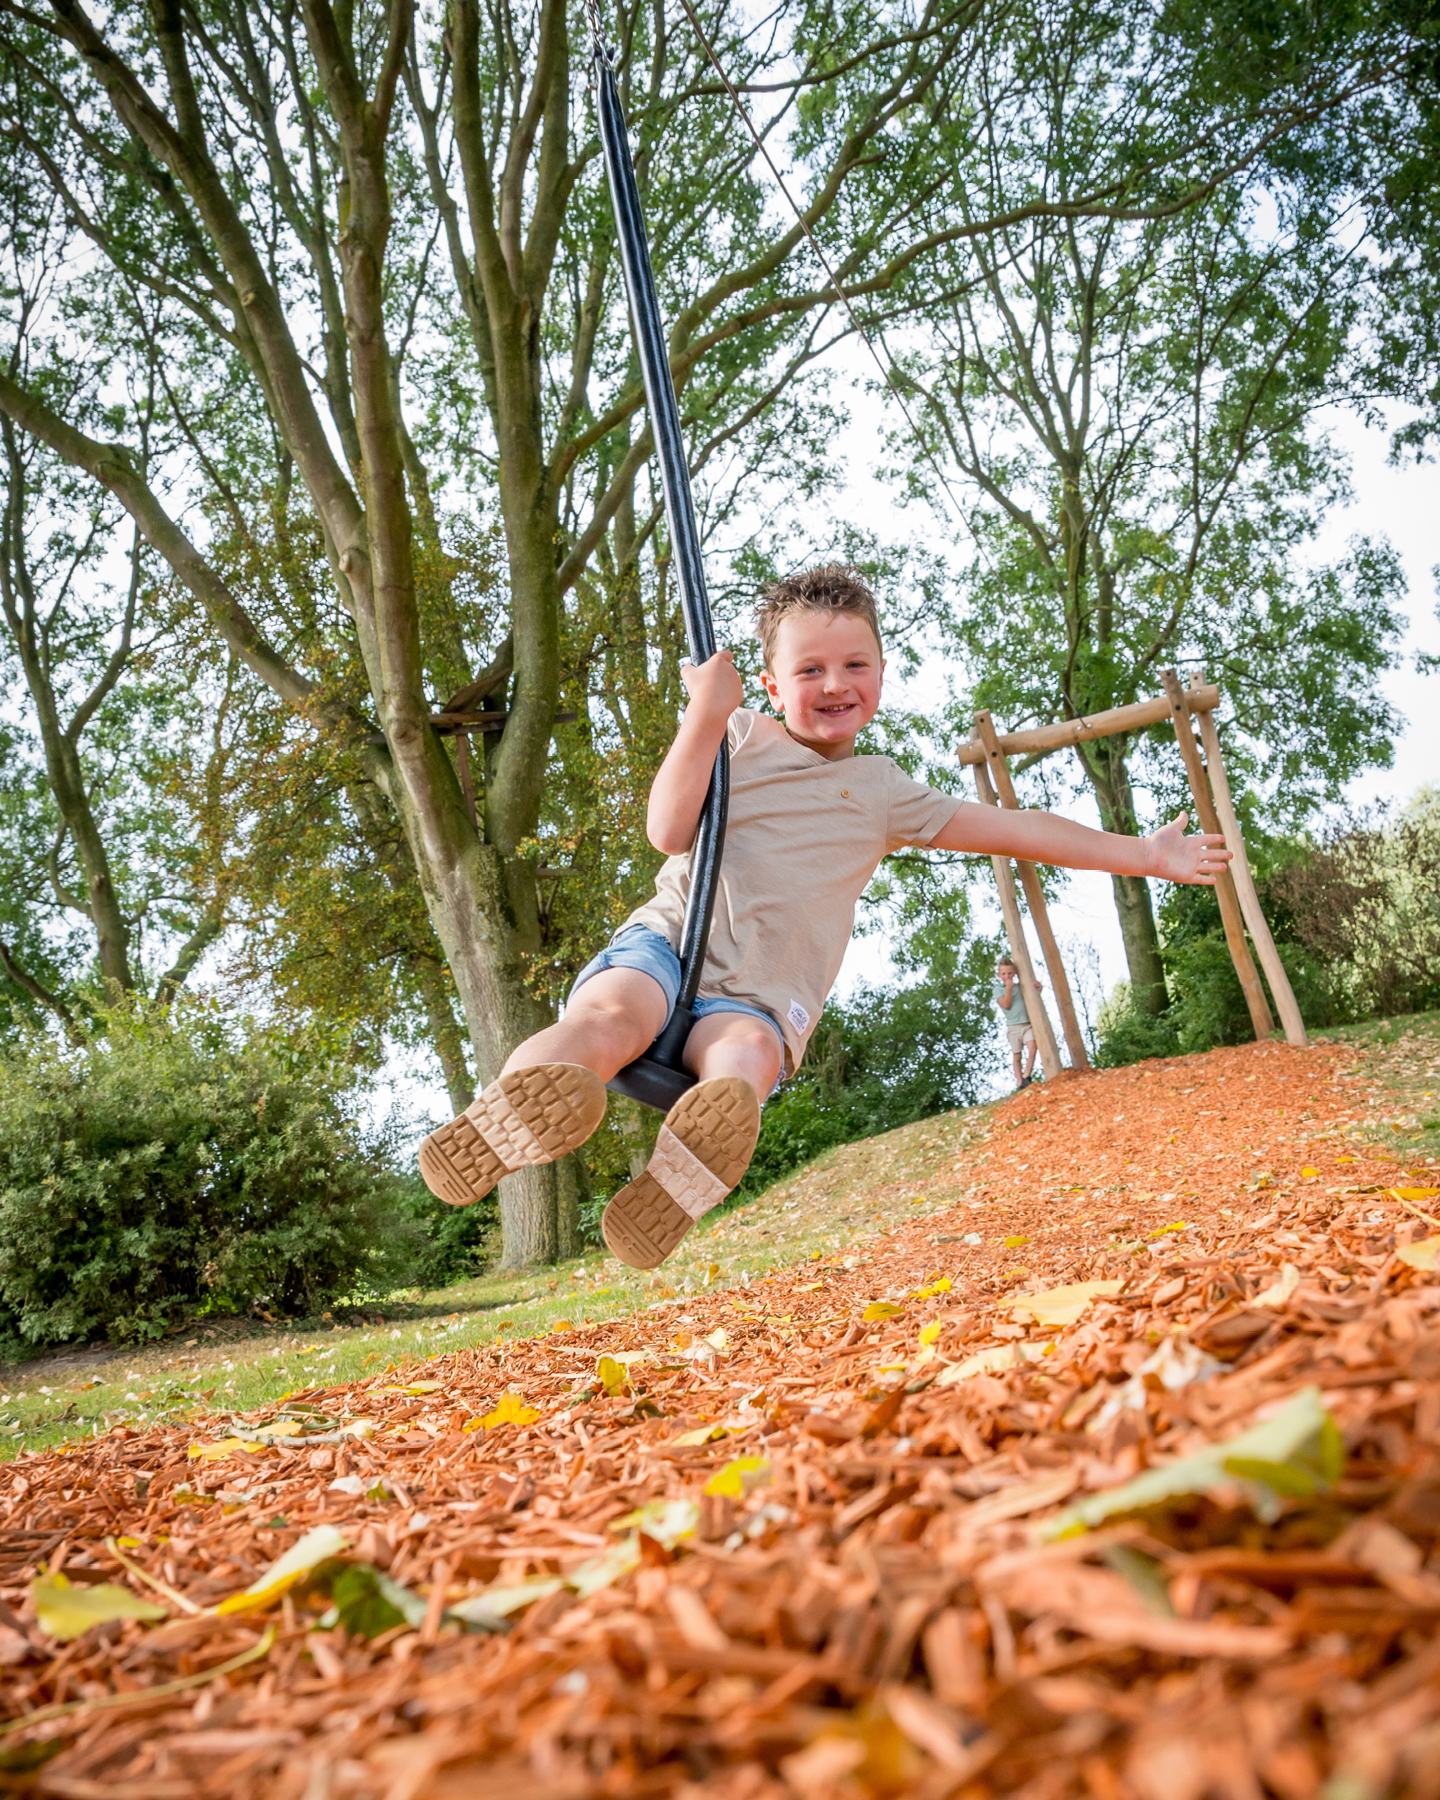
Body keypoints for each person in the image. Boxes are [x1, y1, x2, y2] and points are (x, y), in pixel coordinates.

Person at [418, 565, 1231, 1269]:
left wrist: (1144, 855)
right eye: (810, 669)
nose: (835, 683)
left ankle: (686, 1166)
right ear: (770, 683)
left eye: (855, 664)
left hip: (761, 994)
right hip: (672, 943)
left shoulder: (883, 792)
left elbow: (1022, 834)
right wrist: (705, 712)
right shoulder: (736, 734)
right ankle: (512, 1112)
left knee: (746, 1056)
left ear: (882, 673)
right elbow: (668, 829)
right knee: (609, 1015)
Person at [993, 953, 1038, 1089]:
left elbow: (1032, 995)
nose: (1007, 976)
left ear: (1015, 973)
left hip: (1026, 1024)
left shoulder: (1020, 987)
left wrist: (1038, 988)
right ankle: (1019, 1081)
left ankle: (1026, 1076)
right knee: (1017, 1055)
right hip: (1013, 1027)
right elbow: (1006, 1004)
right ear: (999, 975)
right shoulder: (998, 990)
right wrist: (1009, 988)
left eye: (1010, 973)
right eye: (1004, 974)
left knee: (1033, 1047)